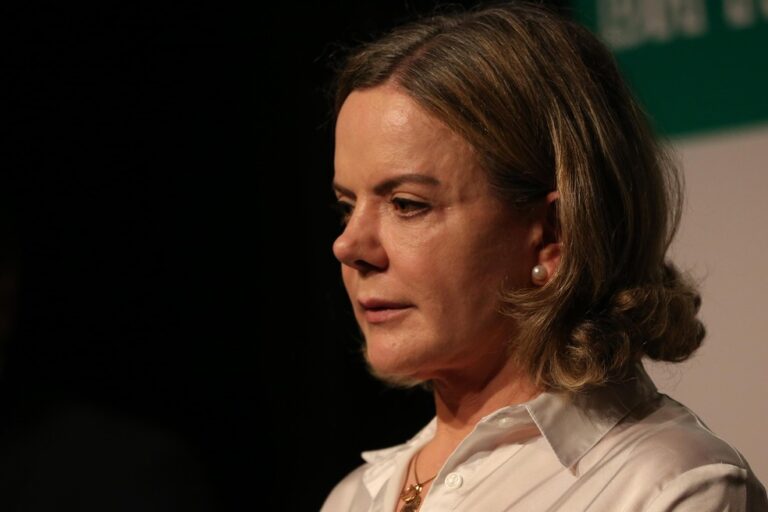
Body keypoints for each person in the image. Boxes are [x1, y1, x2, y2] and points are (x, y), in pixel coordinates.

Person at [320, 2, 768, 511]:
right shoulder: (353, 497)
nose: (348, 246)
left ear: (553, 232)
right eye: (347, 206)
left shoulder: (672, 488)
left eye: (406, 204)